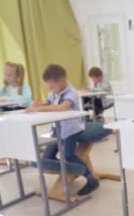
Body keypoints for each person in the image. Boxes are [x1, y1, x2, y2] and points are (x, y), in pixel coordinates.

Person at [26, 64, 100, 196]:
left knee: (68, 155)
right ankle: (74, 170)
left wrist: (38, 109)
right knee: (47, 157)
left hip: (71, 129)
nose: (51, 89)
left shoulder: (71, 93)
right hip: (57, 129)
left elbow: (62, 107)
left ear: (63, 81)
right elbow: (49, 103)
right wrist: (39, 104)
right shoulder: (55, 92)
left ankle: (90, 178)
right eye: (49, 87)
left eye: (52, 86)